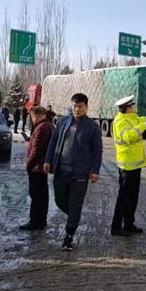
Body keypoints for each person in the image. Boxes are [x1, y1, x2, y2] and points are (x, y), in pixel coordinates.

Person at [44, 93, 102, 251]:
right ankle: (74, 217)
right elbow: (54, 141)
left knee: (75, 204)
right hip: (61, 170)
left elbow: (98, 150)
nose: (77, 109)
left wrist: (95, 170)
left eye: (80, 106)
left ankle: (68, 236)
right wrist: (48, 160)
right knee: (60, 200)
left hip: (80, 173)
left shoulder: (92, 127)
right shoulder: (63, 122)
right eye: (75, 106)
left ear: (86, 107)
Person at [111, 95, 146, 236]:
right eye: (132, 106)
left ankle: (129, 224)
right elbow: (128, 136)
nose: (134, 108)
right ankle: (116, 227)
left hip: (134, 165)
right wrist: (141, 127)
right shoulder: (120, 122)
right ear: (128, 108)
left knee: (133, 196)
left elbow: (139, 120)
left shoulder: (130, 118)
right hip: (127, 165)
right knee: (124, 197)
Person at [19, 106, 54, 231]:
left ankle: (35, 221)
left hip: (37, 167)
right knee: (42, 195)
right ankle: (41, 220)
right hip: (41, 167)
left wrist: (28, 165)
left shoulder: (41, 127)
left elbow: (37, 150)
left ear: (36, 115)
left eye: (32, 117)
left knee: (36, 195)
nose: (32, 120)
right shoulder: (47, 125)